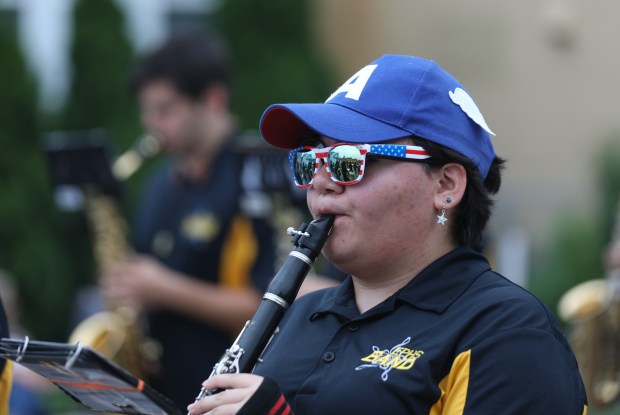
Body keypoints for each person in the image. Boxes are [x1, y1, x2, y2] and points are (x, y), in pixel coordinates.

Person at [187, 54, 588, 414]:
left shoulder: (507, 331)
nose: (322, 181)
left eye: (349, 160)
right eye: (311, 161)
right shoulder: (302, 314)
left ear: (446, 185)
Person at [100, 32, 280, 410]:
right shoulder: (159, 185)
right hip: (160, 388)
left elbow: (269, 305)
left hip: (226, 395)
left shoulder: (257, 181)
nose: (151, 123)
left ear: (213, 100)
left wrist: (164, 289)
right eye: (147, 110)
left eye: (165, 109)